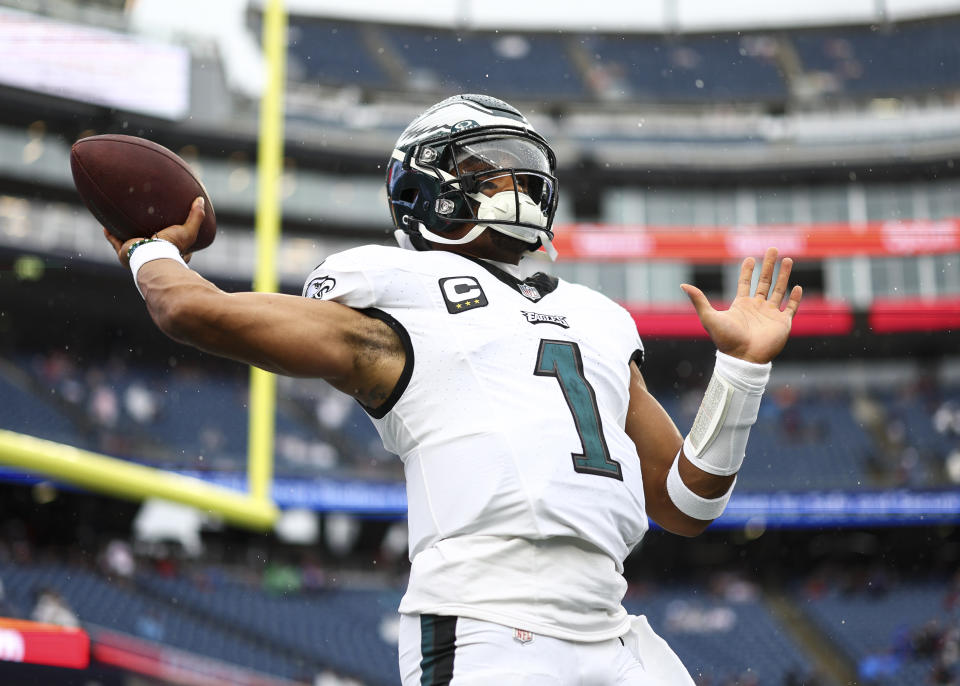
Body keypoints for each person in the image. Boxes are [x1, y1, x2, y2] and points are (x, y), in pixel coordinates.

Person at [103, 94, 802, 685]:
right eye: (488, 171)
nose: (517, 187)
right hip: (490, 625)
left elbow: (686, 503)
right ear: (424, 190)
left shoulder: (599, 319)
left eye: (524, 173)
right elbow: (192, 311)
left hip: (614, 632)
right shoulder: (397, 300)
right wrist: (152, 250)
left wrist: (741, 371)